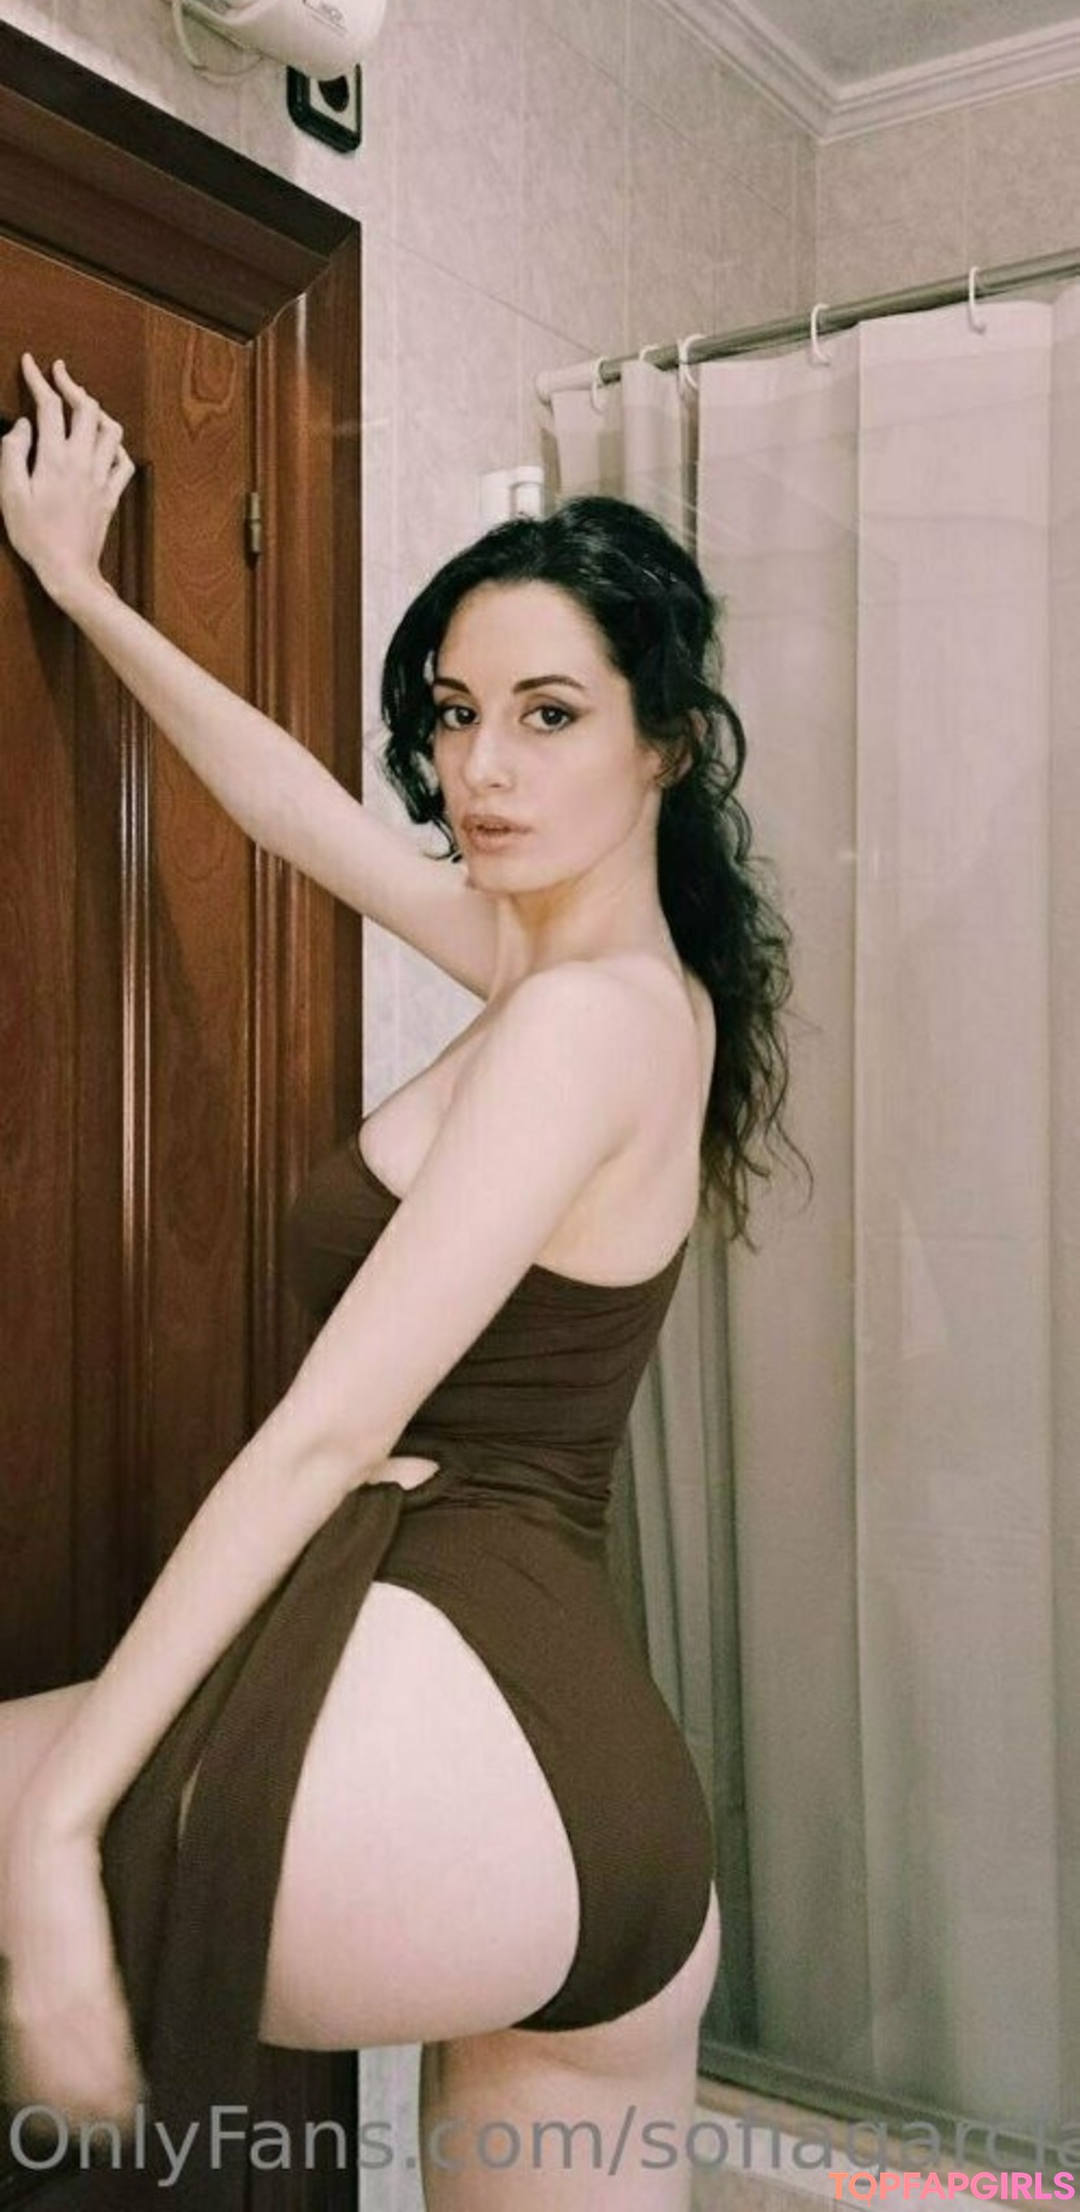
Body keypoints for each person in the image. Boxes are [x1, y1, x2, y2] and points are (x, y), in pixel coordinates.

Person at [0, 354, 805, 2211]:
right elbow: (300, 814)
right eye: (454, 715)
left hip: (480, 1712)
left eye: (549, 714)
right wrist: (85, 592)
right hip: (601, 1804)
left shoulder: (577, 1028)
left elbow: (326, 1430)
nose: (481, 770)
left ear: (666, 745)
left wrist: (59, 1826)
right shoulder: (615, 990)